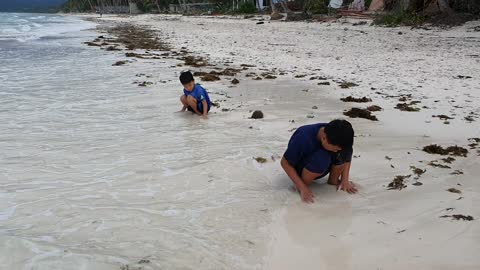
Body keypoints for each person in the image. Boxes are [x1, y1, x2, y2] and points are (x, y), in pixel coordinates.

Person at [280, 119, 357, 203]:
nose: (336, 151)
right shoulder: (303, 137)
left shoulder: (336, 133)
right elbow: (285, 162)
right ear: (324, 138)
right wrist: (302, 188)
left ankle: (333, 180)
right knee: (322, 158)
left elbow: (347, 153)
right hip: (304, 167)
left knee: (344, 150)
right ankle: (303, 184)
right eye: (334, 149)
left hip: (322, 163)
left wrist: (344, 180)